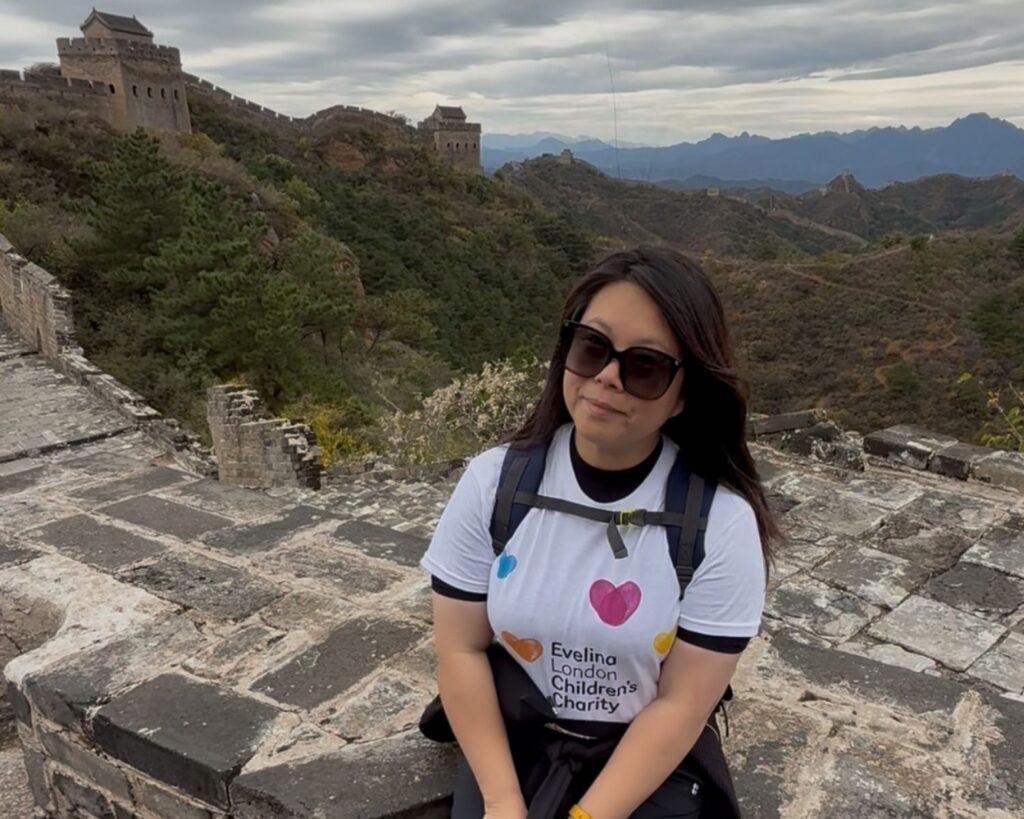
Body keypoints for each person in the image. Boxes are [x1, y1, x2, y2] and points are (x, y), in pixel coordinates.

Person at [420, 246, 779, 819]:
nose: (608, 378)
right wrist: (502, 801)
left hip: (639, 758)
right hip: (515, 744)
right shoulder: (497, 483)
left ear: (686, 392)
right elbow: (460, 648)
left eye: (644, 366)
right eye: (592, 348)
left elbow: (682, 705)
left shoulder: (717, 522)